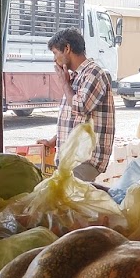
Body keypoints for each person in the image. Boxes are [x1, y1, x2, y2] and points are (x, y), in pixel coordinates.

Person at [43, 27, 115, 181]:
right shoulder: (77, 76)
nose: (54, 59)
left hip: (85, 161)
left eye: (55, 53)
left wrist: (64, 84)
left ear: (67, 48)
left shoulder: (94, 73)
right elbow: (76, 122)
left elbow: (80, 107)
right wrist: (53, 141)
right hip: (73, 160)